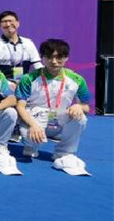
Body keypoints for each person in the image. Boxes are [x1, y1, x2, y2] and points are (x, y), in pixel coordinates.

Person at [15, 39, 91, 169]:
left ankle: (64, 152)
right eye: (49, 57)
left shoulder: (77, 79)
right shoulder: (29, 78)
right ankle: (30, 146)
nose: (54, 61)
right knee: (28, 134)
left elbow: (86, 107)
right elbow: (20, 107)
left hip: (60, 118)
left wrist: (78, 106)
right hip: (35, 118)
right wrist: (33, 125)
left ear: (66, 58)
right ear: (42, 58)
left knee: (81, 118)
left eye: (59, 57)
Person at [0, 10, 42, 89]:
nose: (8, 24)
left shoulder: (28, 43)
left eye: (11, 21)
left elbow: (38, 66)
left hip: (24, 84)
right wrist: (6, 83)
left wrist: (31, 81)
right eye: (4, 21)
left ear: (18, 23)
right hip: (2, 85)